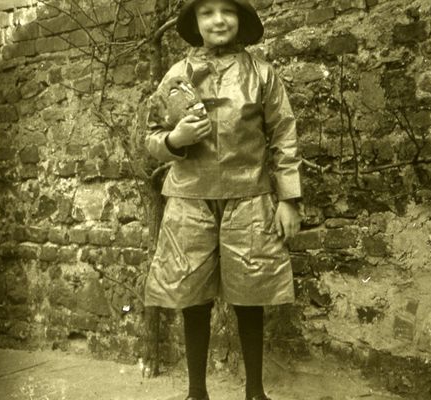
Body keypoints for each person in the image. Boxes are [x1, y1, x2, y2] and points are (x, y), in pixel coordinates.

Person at [144, 0, 302, 399]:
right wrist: (175, 140)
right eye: (207, 12)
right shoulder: (176, 75)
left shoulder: (262, 75)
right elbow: (150, 138)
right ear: (195, 23)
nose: (218, 20)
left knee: (251, 293)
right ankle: (197, 391)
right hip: (189, 199)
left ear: (241, 19)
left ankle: (255, 391)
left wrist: (289, 200)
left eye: (227, 11)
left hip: (248, 198)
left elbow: (283, 136)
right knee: (190, 294)